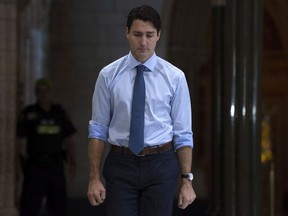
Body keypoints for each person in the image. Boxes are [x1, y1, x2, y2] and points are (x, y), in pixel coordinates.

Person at [87, 4, 196, 216]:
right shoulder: (108, 75)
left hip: (161, 164)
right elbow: (98, 129)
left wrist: (187, 181)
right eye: (137, 34)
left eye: (149, 35)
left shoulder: (175, 78)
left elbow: (183, 134)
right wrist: (94, 177)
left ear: (158, 36)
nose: (143, 42)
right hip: (121, 163)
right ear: (126, 33)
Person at [17, 78, 77, 216]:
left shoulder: (59, 114)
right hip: (34, 167)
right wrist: (15, 165)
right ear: (36, 93)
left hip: (55, 166)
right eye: (40, 91)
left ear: (51, 93)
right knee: (29, 207)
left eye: (46, 91)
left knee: (58, 206)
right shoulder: (29, 114)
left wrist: (73, 162)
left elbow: (69, 139)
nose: (43, 94)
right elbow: (19, 139)